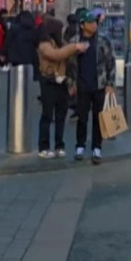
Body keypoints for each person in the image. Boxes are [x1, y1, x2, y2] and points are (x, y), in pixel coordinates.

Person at [67, 10, 115, 165]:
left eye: (95, 22)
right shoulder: (74, 42)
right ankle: (80, 146)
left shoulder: (102, 41)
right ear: (82, 25)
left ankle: (97, 147)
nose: (94, 25)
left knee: (98, 118)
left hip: (99, 85)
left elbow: (110, 62)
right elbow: (69, 65)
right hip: (82, 85)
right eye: (90, 22)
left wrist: (110, 84)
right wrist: (71, 83)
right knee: (82, 117)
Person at [36, 17, 85, 159]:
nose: (62, 31)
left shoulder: (61, 42)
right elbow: (57, 55)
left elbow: (68, 61)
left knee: (61, 115)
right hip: (49, 82)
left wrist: (71, 83)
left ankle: (59, 145)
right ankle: (43, 147)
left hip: (62, 82)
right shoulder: (44, 44)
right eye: (60, 28)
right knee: (47, 115)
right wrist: (74, 47)